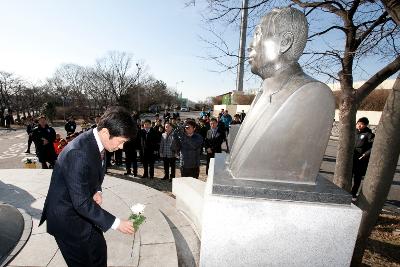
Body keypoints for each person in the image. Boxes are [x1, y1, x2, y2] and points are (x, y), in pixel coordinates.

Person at [229, 7, 335, 183]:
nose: (250, 46)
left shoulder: (312, 95)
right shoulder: (263, 92)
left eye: (258, 35)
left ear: (284, 42)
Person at [39, 106, 136, 267]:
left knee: (99, 253)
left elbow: (96, 169)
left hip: (85, 216)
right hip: (68, 221)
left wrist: (97, 189)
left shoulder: (97, 140)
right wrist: (118, 224)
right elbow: (82, 203)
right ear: (106, 132)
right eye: (121, 142)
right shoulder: (77, 153)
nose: (121, 148)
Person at [351, 117, 375, 200]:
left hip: (361, 160)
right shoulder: (353, 132)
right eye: (358, 123)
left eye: (361, 124)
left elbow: (373, 147)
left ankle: (353, 193)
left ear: (365, 125)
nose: (359, 125)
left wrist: (365, 155)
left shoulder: (369, 134)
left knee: (357, 178)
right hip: (352, 157)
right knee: (348, 175)